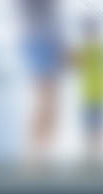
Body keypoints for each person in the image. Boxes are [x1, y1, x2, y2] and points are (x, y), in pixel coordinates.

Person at [17, 0, 65, 163]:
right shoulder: (37, 16)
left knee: (47, 103)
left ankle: (38, 152)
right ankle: (36, 153)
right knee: (46, 102)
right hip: (42, 43)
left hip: (43, 42)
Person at [74, 15, 103, 165]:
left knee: (97, 129)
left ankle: (96, 158)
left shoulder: (98, 49)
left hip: (99, 96)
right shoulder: (88, 49)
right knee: (92, 129)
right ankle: (93, 158)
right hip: (91, 96)